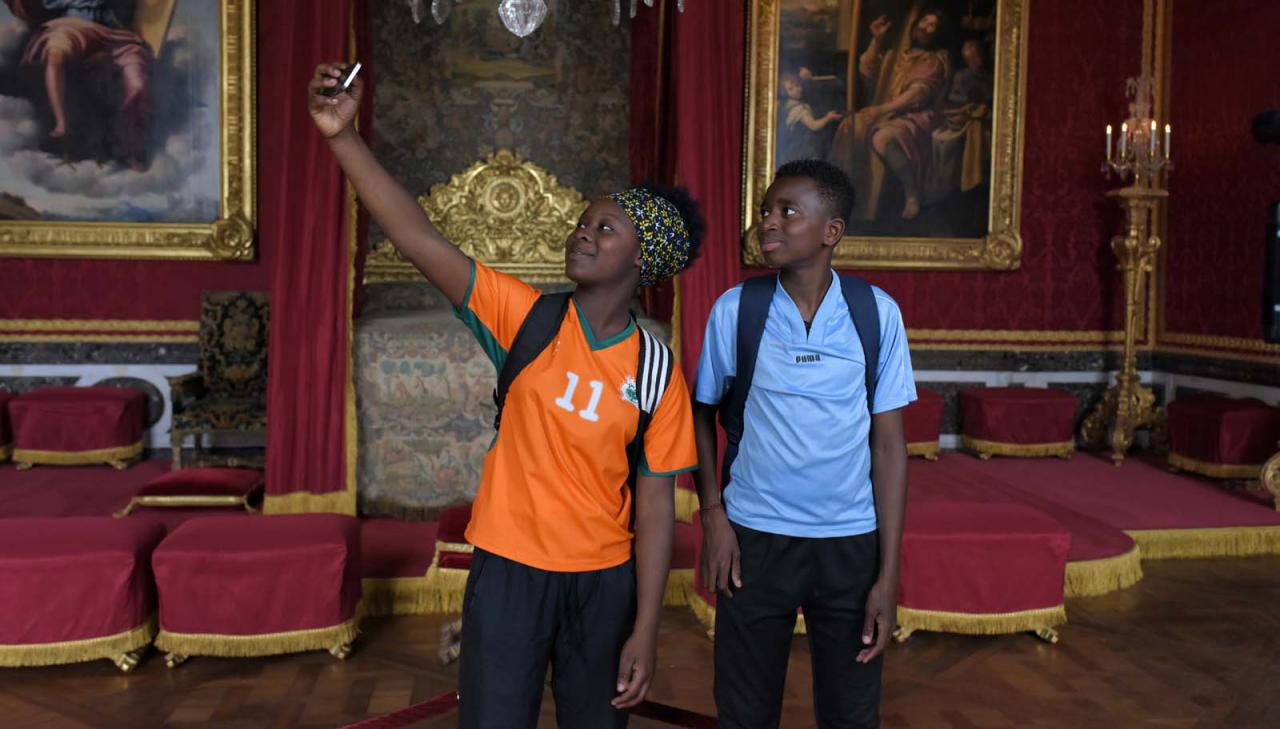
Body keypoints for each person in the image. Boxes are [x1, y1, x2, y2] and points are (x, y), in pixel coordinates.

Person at [307, 63, 704, 728]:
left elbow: (657, 505)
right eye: (583, 222)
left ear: (642, 259)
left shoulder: (658, 369)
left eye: (605, 228)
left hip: (603, 585)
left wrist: (645, 629)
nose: (583, 232)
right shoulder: (526, 317)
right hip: (510, 573)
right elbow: (417, 238)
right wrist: (341, 137)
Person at [693, 159, 915, 728]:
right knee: (744, 713)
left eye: (788, 211)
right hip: (754, 540)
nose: (768, 222)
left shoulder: (876, 314)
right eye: (766, 210)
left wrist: (887, 575)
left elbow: (889, 448)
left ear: (831, 231)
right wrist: (714, 518)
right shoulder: (736, 309)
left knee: (851, 715)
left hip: (849, 545)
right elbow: (700, 415)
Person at [830, 8, 951, 222]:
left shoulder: (933, 60)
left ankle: (912, 193)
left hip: (914, 117)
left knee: (883, 138)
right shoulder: (896, 56)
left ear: (938, 33)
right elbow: (867, 70)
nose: (925, 27)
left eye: (932, 25)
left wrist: (880, 110)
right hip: (885, 114)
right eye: (924, 21)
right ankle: (843, 195)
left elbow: (918, 94)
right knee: (851, 125)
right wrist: (876, 40)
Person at [5, 0, 152, 167]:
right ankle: (61, 122)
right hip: (71, 26)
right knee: (55, 56)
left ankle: (131, 143)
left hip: (110, 33)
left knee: (136, 79)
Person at [778, 71, 842, 166]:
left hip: (798, 147)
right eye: (791, 89)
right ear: (785, 93)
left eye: (797, 85)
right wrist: (828, 118)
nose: (797, 89)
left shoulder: (789, 105)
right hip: (804, 149)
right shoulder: (799, 110)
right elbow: (814, 126)